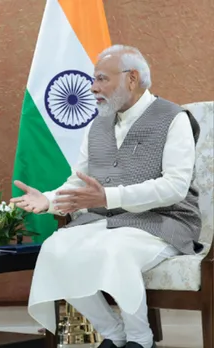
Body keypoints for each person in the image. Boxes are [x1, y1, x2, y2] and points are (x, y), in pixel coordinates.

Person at [11, 45, 201, 348]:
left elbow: (175, 187)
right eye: (93, 79)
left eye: (101, 79)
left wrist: (108, 197)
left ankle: (141, 340)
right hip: (110, 221)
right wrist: (48, 200)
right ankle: (114, 334)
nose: (93, 88)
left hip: (164, 221)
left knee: (115, 250)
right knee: (55, 250)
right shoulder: (97, 124)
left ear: (132, 78)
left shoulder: (173, 118)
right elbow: (79, 181)